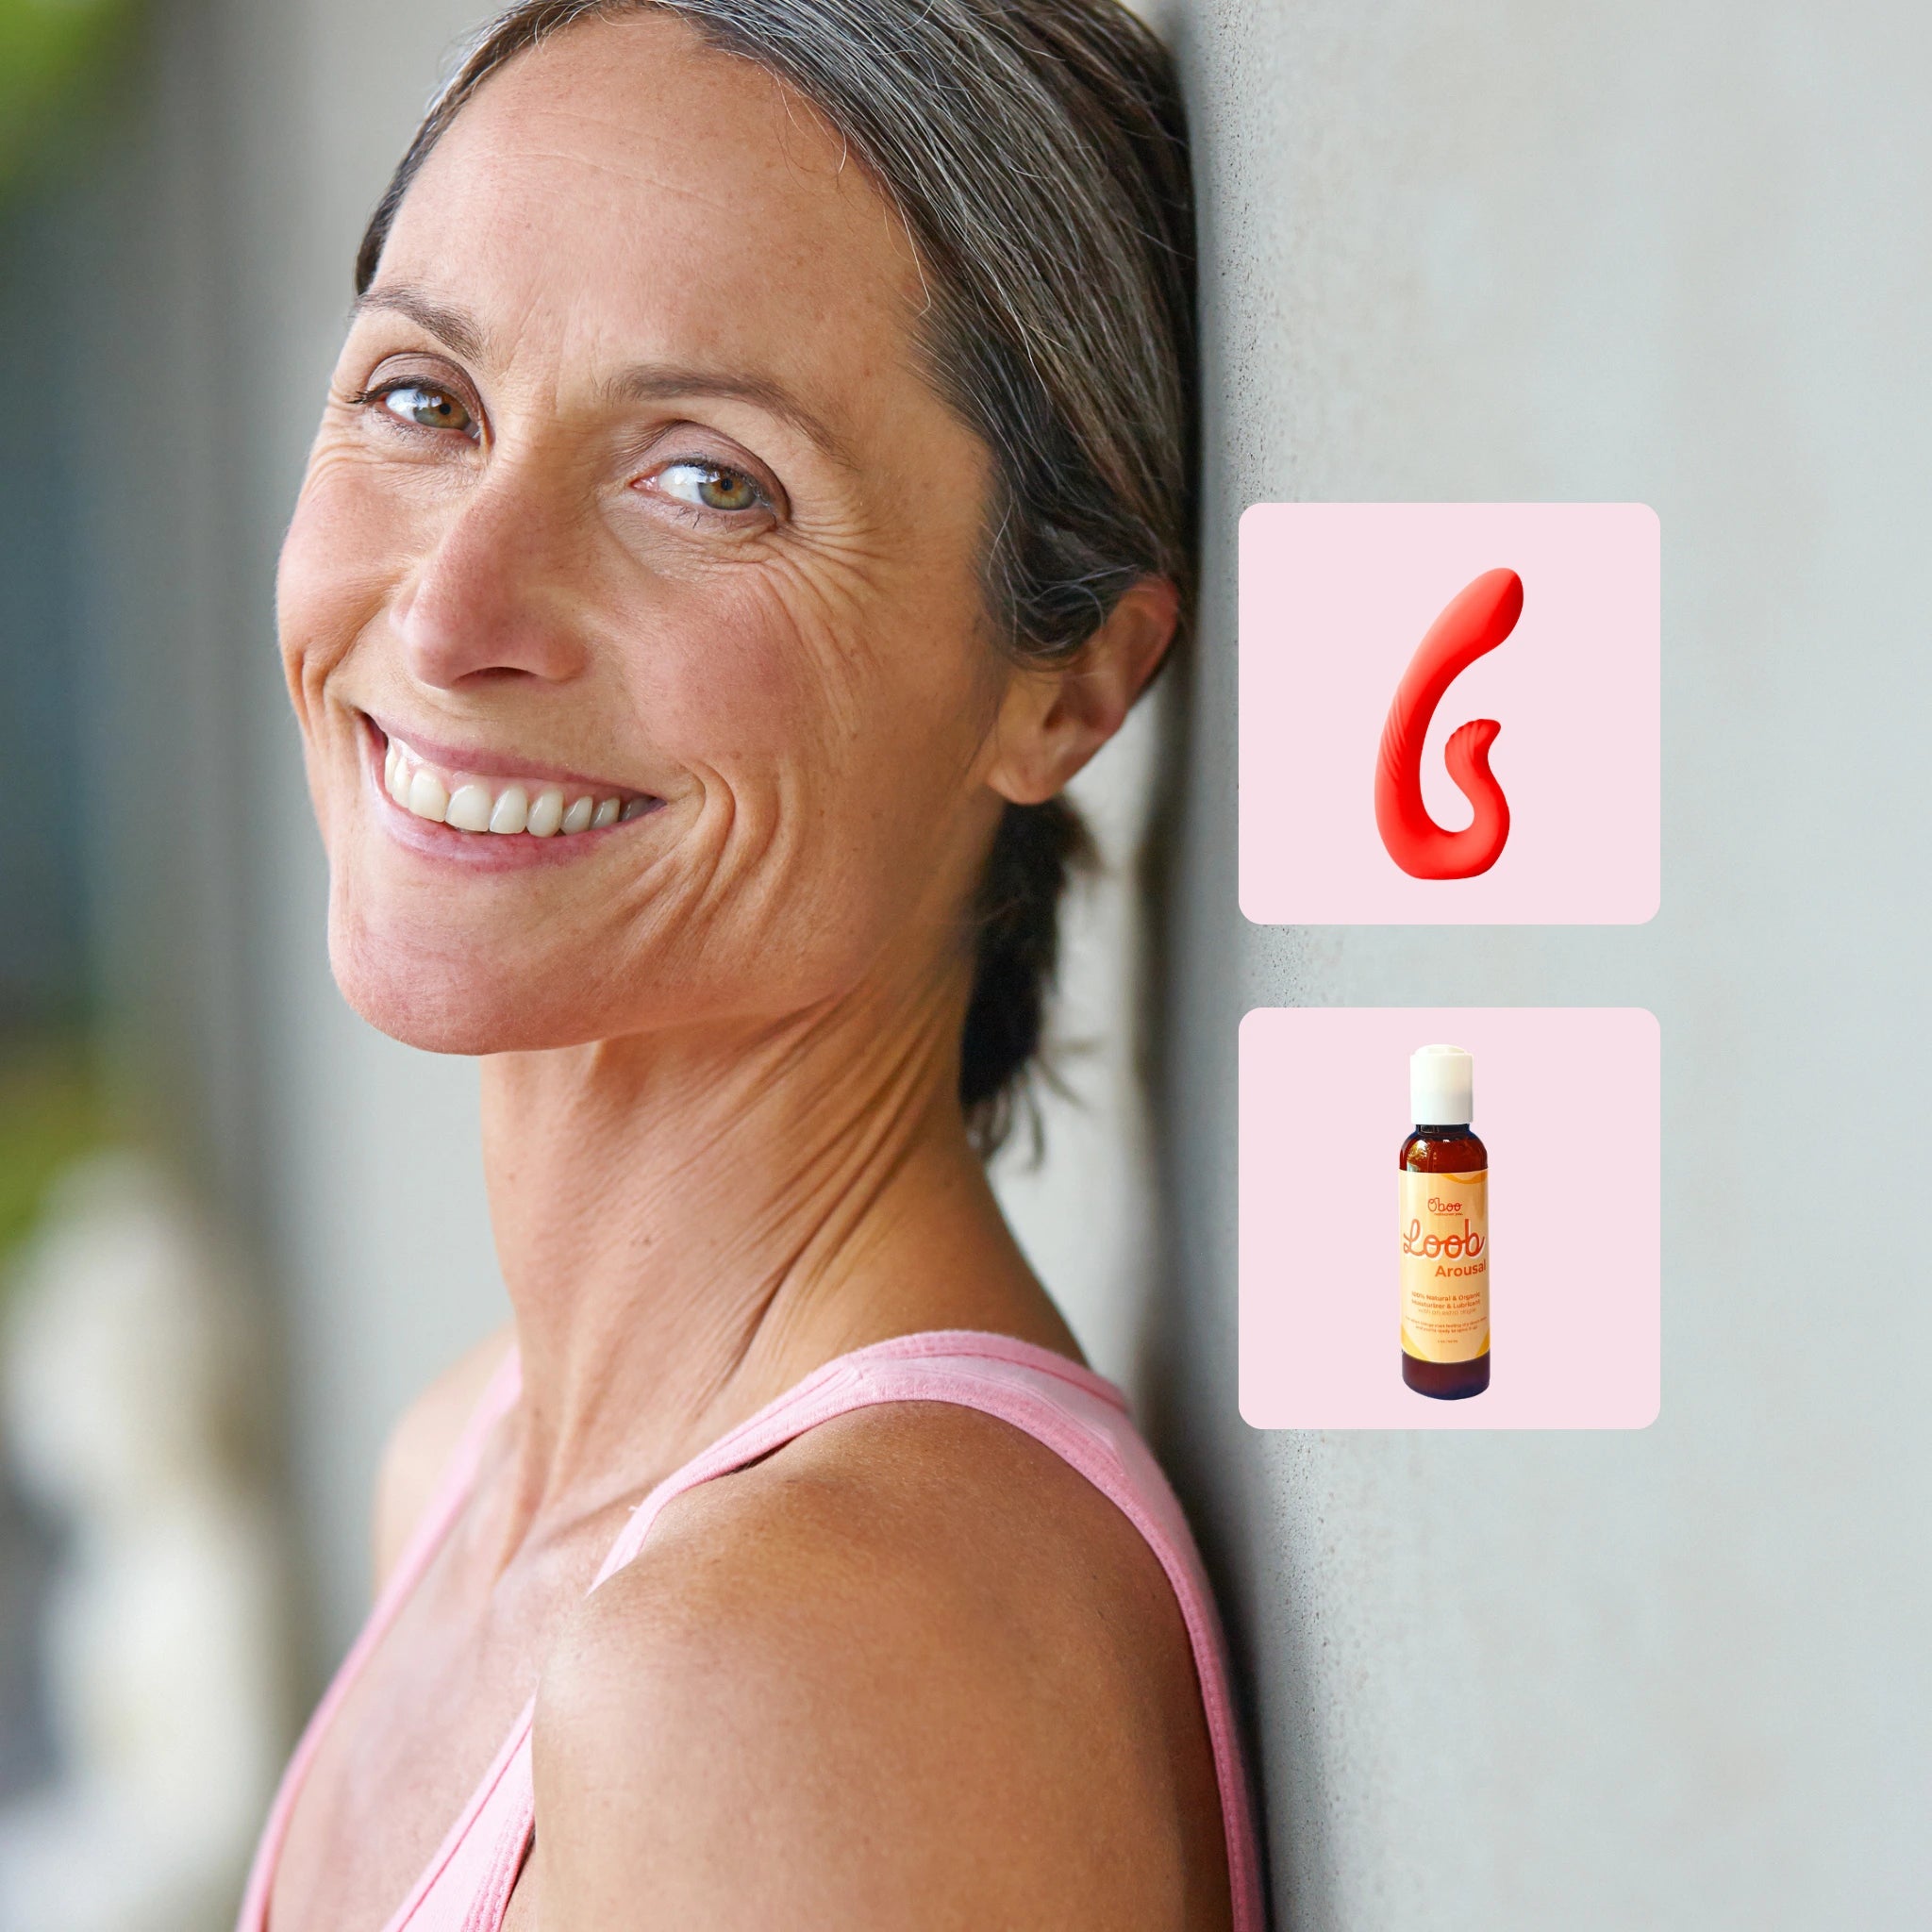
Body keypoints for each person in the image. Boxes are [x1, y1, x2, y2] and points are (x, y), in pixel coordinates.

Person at [238, 3, 1261, 1926]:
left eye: (708, 481)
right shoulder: (467, 1462)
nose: (453, 613)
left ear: (1072, 687)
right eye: (421, 400)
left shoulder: (797, 1661)